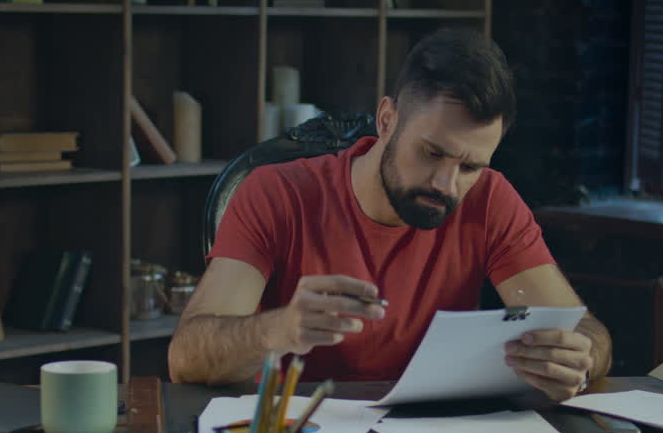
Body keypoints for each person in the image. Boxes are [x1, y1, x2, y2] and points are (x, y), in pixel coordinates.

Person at [168, 28, 611, 401]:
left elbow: (587, 330)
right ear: (386, 119)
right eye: (431, 152)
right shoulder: (276, 193)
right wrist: (279, 329)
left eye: (470, 166)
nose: (446, 183)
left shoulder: (490, 200)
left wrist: (581, 355)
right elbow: (185, 358)